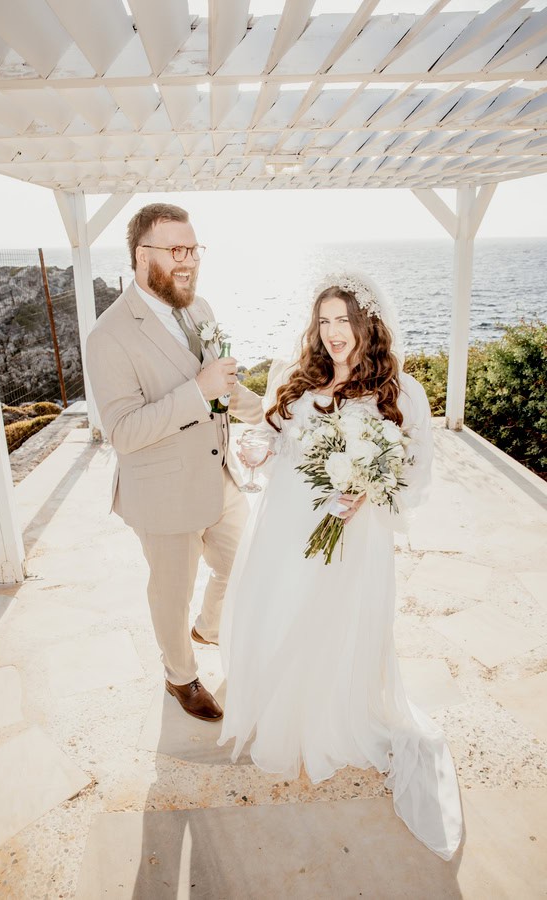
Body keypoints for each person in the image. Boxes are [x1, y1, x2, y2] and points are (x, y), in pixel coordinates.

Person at [218, 273, 462, 860]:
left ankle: (335, 715)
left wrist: (370, 493)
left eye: (344, 321)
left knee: (337, 620)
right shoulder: (300, 379)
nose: (333, 334)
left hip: (356, 536)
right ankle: (287, 708)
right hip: (288, 525)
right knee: (285, 611)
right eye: (323, 321)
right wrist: (258, 447)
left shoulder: (398, 392)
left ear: (367, 324)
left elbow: (414, 468)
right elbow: (274, 440)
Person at [86, 203, 263, 722]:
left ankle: (209, 627)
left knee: (246, 563)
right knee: (171, 595)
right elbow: (123, 432)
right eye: (177, 250)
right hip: (162, 494)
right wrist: (196, 392)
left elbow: (221, 389)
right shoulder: (109, 336)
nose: (189, 261)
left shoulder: (198, 308)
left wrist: (273, 411)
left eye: (194, 249)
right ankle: (180, 677)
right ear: (143, 256)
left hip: (219, 475)